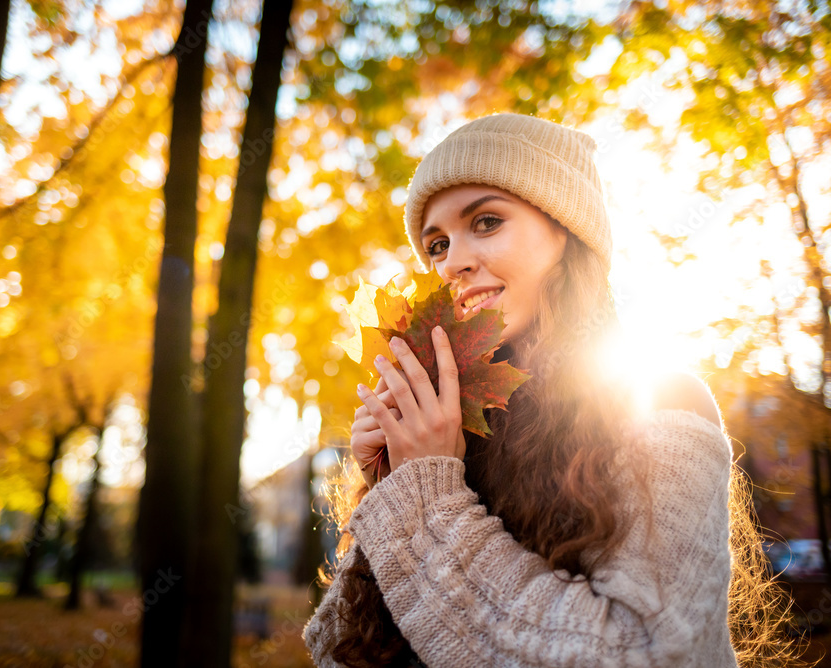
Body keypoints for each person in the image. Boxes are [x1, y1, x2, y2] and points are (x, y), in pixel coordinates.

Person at [302, 113, 808, 667]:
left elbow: (650, 654)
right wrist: (388, 487)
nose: (454, 263)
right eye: (437, 244)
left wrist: (428, 502)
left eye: (488, 221)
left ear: (566, 230)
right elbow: (340, 653)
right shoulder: (463, 429)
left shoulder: (659, 400)